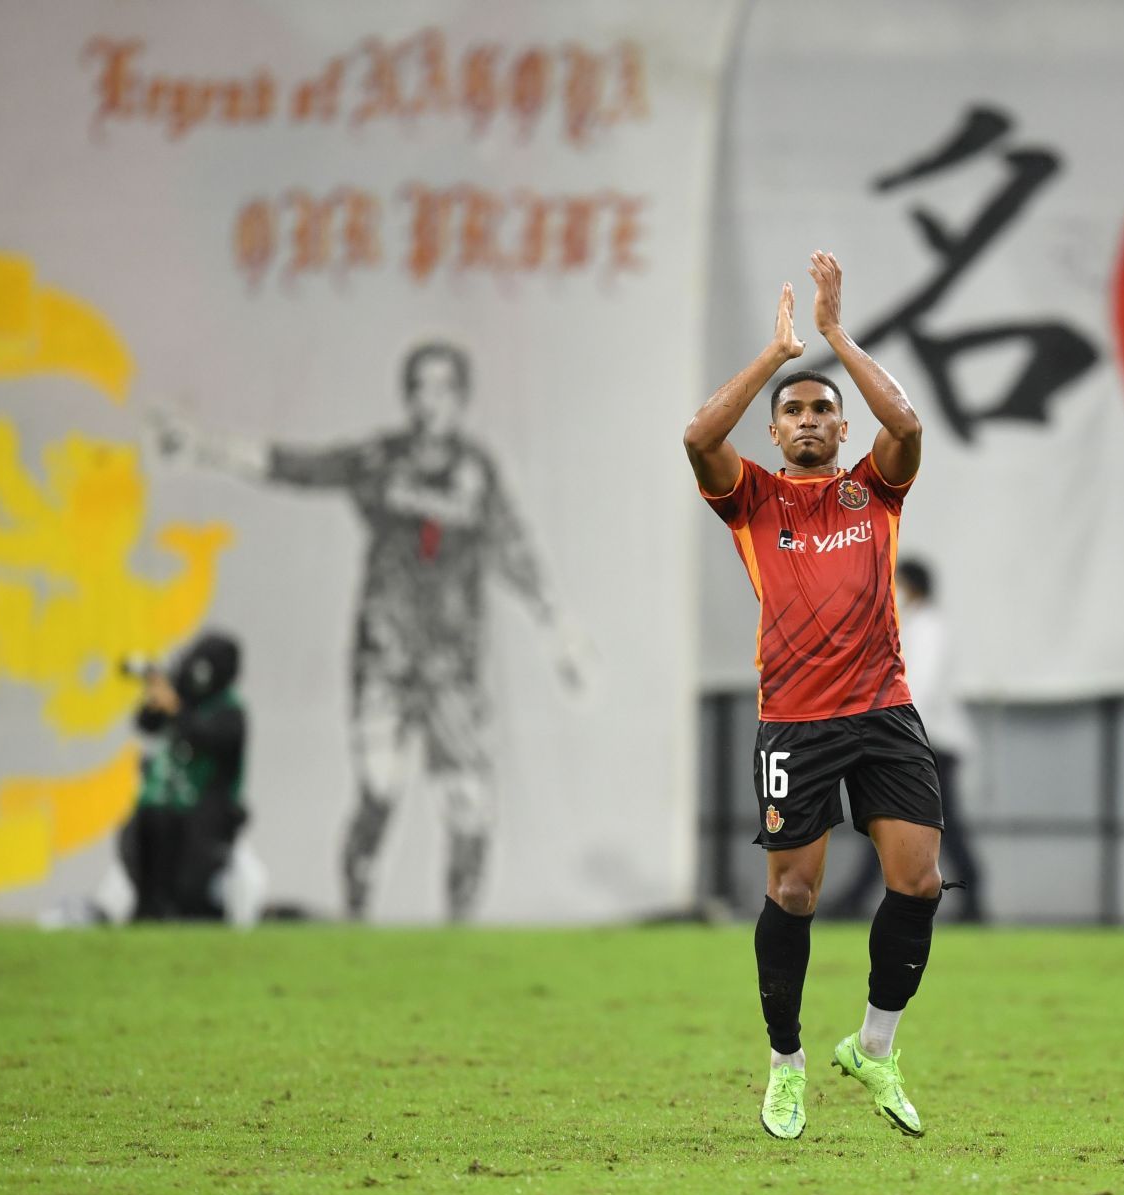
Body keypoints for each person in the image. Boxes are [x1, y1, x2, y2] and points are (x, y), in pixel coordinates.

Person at [146, 344, 588, 922]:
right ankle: (356, 914)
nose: (432, 401)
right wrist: (206, 448)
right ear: (408, 397)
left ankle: (464, 939)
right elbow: (298, 467)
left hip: (452, 667)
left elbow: (513, 547)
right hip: (387, 657)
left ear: (462, 397)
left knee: (469, 805)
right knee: (381, 787)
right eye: (421, 388)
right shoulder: (381, 460)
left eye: (445, 388)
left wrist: (560, 631)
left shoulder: (477, 470)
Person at [686, 251, 943, 1141]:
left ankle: (874, 1046)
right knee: (793, 895)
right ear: (775, 432)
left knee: (918, 881)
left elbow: (906, 420)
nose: (805, 418)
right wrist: (774, 354)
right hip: (794, 721)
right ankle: (786, 1065)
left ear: (841, 433)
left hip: (885, 710)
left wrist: (836, 339)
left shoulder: (874, 490)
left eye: (820, 409)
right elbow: (695, 438)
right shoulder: (753, 499)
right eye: (791, 410)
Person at [830, 558, 986, 923]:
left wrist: (898, 737)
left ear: (912, 587)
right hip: (922, 739)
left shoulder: (927, 627)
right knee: (897, 819)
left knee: (914, 821)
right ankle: (972, 897)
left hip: (928, 742)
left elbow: (923, 688)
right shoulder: (916, 625)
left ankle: (972, 895)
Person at [121, 632, 247, 920]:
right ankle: (148, 911)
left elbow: (207, 736)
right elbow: (146, 723)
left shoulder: (229, 711)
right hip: (162, 809)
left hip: (204, 816)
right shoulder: (187, 701)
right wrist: (157, 699)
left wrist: (176, 708)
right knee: (144, 860)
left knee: (190, 892)